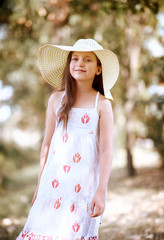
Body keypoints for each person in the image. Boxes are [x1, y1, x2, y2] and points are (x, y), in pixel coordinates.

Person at [16, 38, 119, 240]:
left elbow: (106, 151)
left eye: (88, 60)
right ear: (69, 64)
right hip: (53, 185)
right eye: (75, 58)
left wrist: (101, 191)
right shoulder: (56, 100)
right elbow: (46, 145)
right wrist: (39, 186)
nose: (80, 63)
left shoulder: (102, 104)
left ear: (98, 69)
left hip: (85, 189)